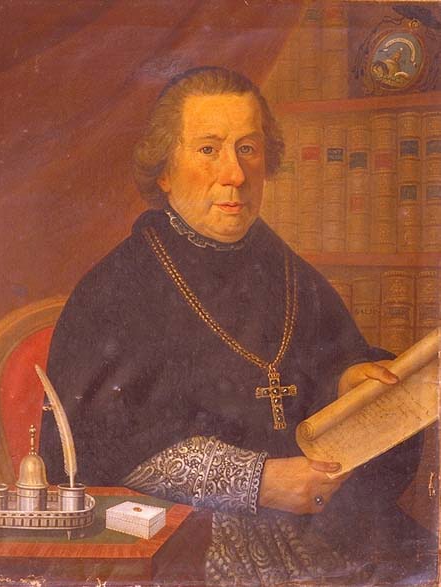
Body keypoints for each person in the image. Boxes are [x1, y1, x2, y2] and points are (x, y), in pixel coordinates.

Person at [40, 67, 434, 585]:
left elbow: (327, 359)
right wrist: (259, 482)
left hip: (321, 520)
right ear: (164, 170)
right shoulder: (117, 287)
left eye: (248, 149)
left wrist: (348, 380)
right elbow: (96, 450)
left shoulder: (286, 268)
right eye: (209, 149)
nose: (235, 174)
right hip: (191, 537)